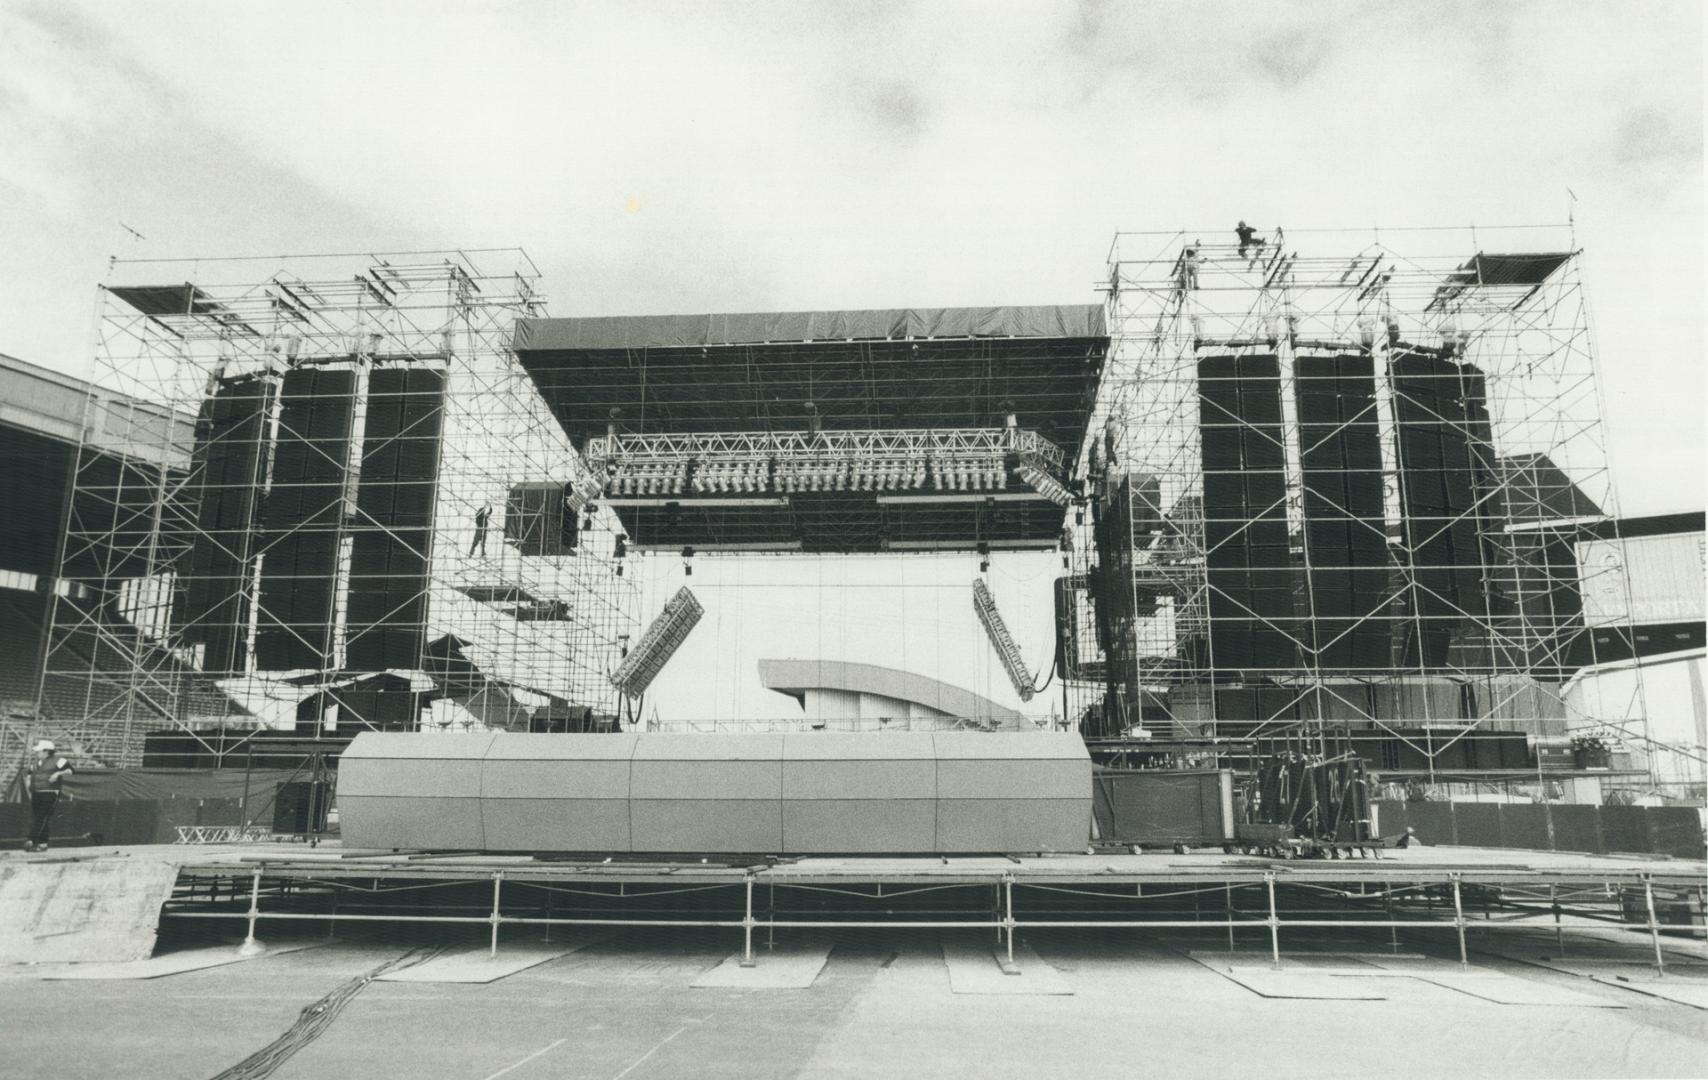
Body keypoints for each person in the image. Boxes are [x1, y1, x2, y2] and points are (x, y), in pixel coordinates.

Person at [24, 739, 73, 852]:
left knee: (41, 816)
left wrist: (58, 773)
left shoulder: (59, 761)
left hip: (51, 792)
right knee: (40, 817)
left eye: (39, 751)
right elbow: (29, 774)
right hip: (37, 793)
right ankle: (43, 843)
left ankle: (31, 839)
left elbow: (70, 770)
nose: (37, 753)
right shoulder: (36, 764)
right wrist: (29, 781)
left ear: (46, 751)